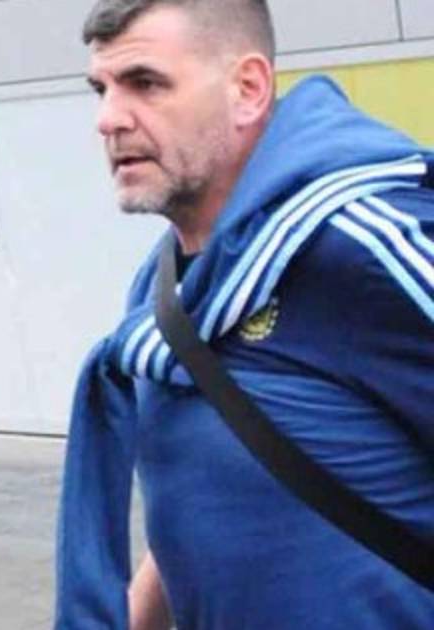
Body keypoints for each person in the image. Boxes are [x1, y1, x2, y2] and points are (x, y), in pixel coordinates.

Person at [55, 1, 434, 628]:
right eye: (102, 89)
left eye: (145, 83)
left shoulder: (365, 244)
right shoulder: (161, 288)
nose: (109, 119)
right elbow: (197, 507)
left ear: (248, 89)